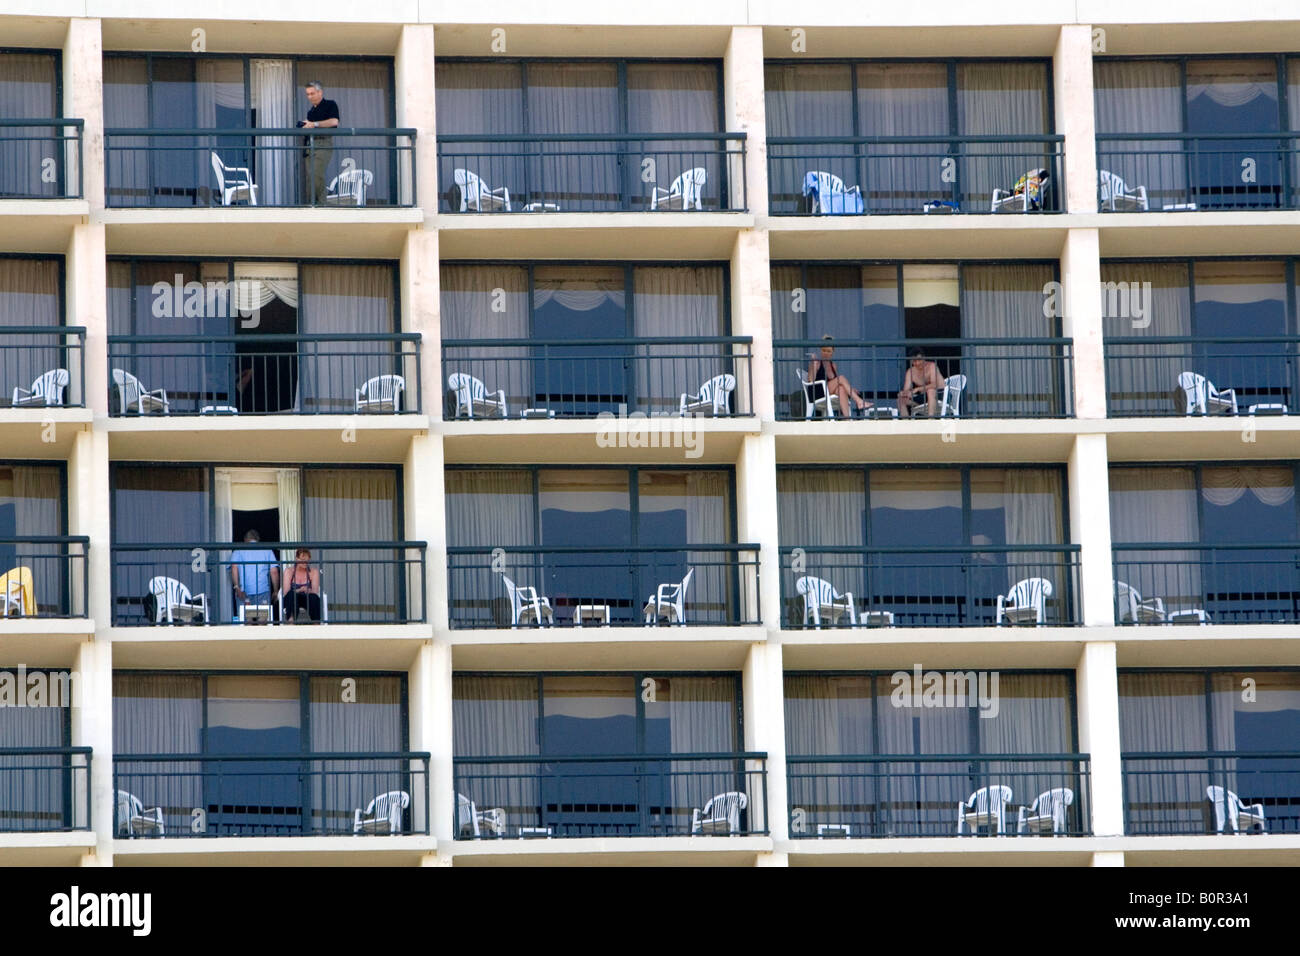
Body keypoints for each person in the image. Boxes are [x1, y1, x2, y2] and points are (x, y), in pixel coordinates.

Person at [807, 336, 871, 416]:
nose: (826, 353)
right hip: (817, 393)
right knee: (841, 378)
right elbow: (810, 380)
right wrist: (813, 364)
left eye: (828, 351)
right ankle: (859, 401)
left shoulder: (833, 365)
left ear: (833, 352)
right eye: (823, 350)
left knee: (841, 388)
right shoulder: (817, 362)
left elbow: (837, 382)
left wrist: (849, 389)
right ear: (820, 350)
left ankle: (847, 419)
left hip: (827, 391)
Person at [300, 81, 340, 205]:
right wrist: (305, 125)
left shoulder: (330, 104)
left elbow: (334, 122)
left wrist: (315, 124)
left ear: (320, 92)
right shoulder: (311, 111)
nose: (310, 97)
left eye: (312, 93)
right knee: (310, 178)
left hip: (323, 143)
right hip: (310, 145)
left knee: (316, 175)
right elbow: (310, 125)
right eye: (307, 94)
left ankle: (319, 204)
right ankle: (314, 204)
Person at [230, 530, 280, 621]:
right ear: (258, 539)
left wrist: (237, 587)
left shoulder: (238, 550)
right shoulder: (267, 550)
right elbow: (274, 571)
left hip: (243, 592)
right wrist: (276, 590)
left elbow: (234, 568)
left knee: (246, 621)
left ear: (245, 539)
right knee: (263, 620)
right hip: (262, 591)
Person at [898, 347, 946, 418]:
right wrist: (906, 393)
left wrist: (917, 389)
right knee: (901, 398)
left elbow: (934, 384)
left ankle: (931, 419)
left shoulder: (931, 366)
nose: (917, 363)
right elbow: (906, 389)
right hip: (924, 397)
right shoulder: (910, 371)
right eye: (914, 361)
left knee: (930, 391)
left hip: (941, 395)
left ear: (924, 358)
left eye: (919, 360)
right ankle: (906, 424)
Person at [280, 547, 323, 623]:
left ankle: (316, 623)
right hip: (293, 598)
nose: (305, 563)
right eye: (302, 560)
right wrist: (299, 590)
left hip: (306, 597)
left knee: (314, 598)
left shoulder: (313, 572)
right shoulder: (289, 571)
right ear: (296, 559)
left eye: (307, 561)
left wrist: (307, 590)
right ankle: (291, 622)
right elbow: (286, 592)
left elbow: (315, 591)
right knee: (291, 595)